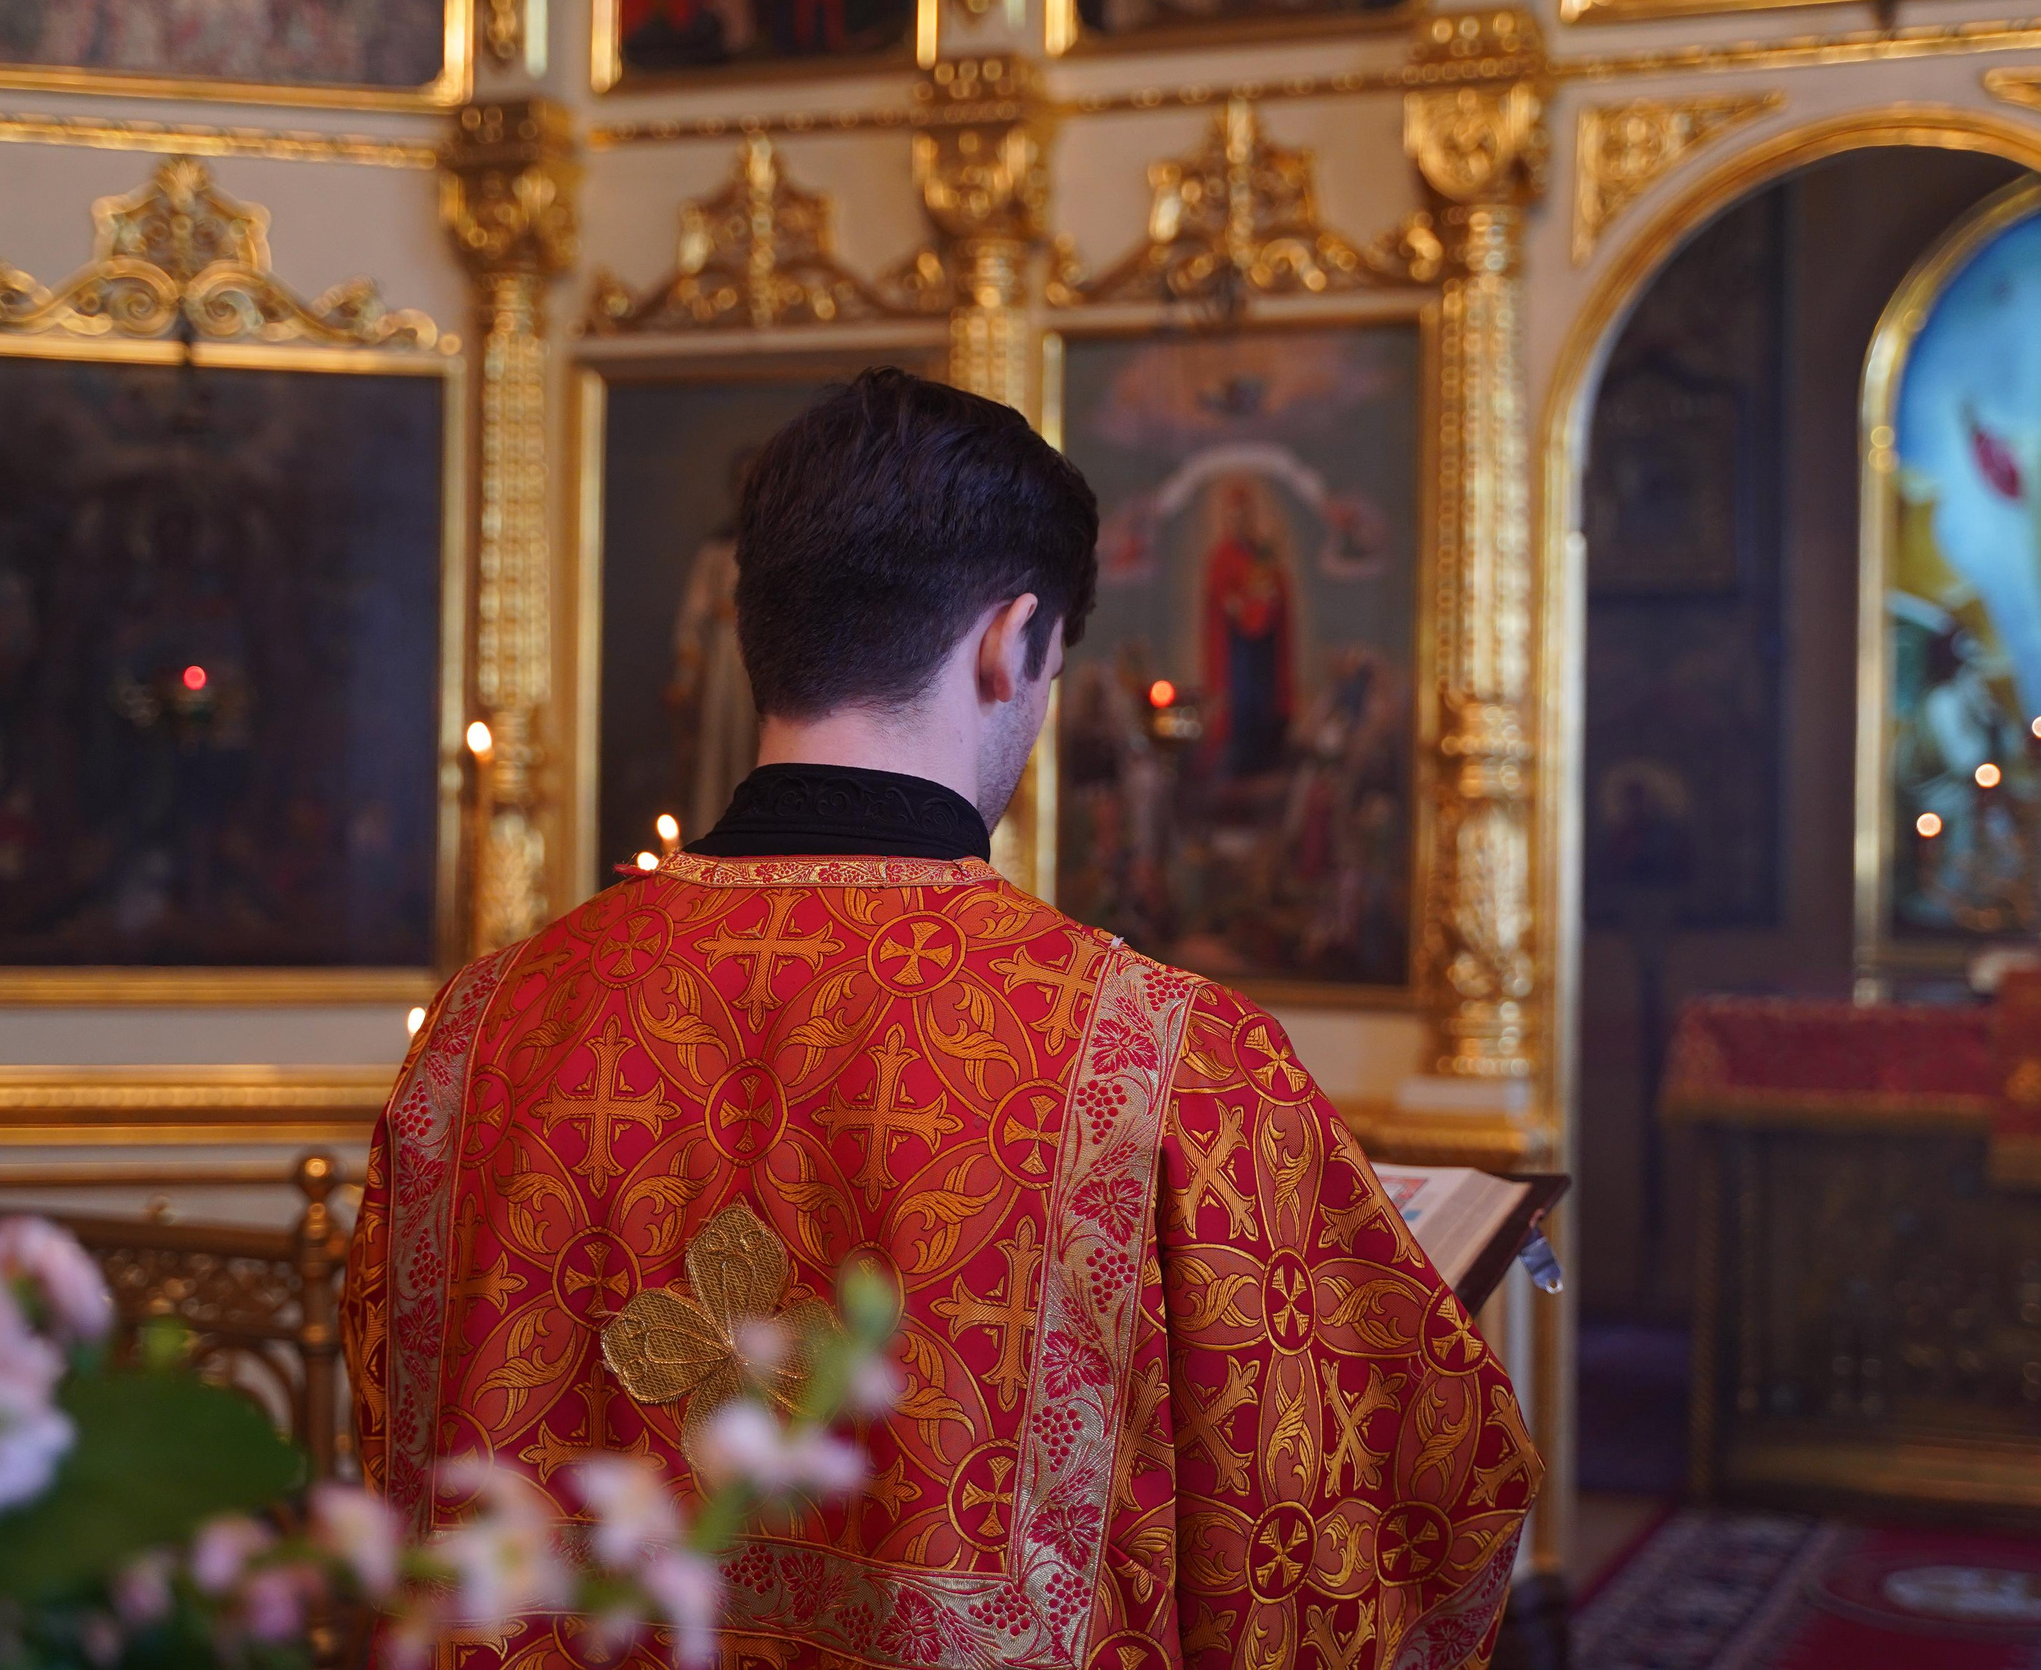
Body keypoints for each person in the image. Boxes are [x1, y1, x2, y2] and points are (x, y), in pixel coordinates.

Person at [343, 368, 1538, 1668]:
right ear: (1012, 640)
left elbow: (400, 1459)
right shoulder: (1170, 1057)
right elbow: (1375, 1517)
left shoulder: (483, 1031)